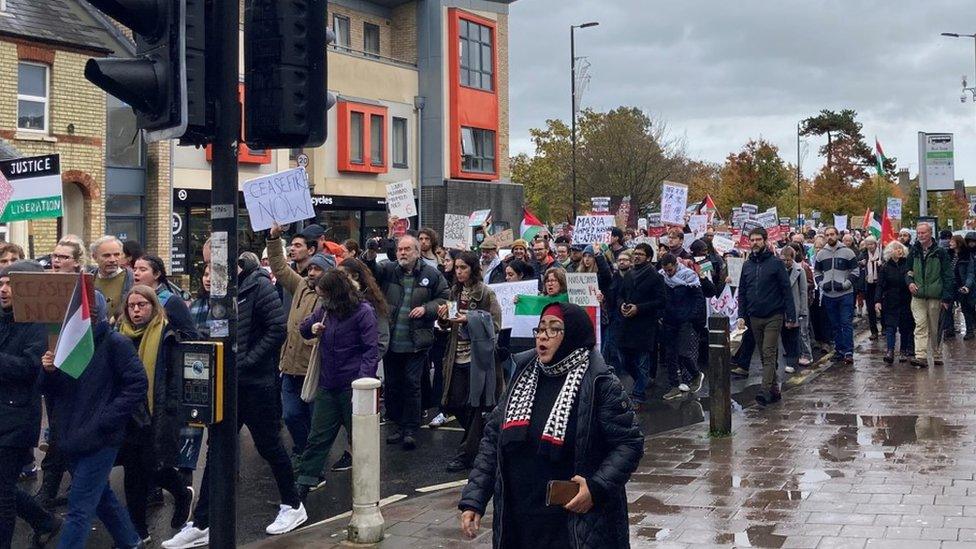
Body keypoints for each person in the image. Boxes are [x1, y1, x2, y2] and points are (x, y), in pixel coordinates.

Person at [458, 302, 644, 548]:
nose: (543, 335)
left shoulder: (600, 382)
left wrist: (597, 487)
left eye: (554, 329)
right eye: (541, 328)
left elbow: (629, 444)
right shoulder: (523, 375)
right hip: (521, 518)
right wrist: (475, 499)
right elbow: (493, 440)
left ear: (574, 335)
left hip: (573, 522)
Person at [165, 253, 305, 548]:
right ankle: (202, 522)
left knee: (269, 445)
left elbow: (277, 329)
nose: (208, 269)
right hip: (224, 383)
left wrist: (247, 361)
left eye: (213, 261)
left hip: (256, 384)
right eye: (204, 263)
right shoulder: (217, 291)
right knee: (218, 449)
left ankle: (293, 505)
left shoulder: (258, 286)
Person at [41, 286, 148, 549]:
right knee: (101, 497)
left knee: (79, 507)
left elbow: (137, 384)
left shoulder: (115, 343)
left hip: (100, 438)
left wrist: (106, 420)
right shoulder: (66, 346)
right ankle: (131, 542)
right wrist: (49, 371)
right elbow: (52, 390)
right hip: (72, 435)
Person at [116, 286, 194, 541]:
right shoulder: (120, 335)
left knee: (155, 468)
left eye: (142, 305)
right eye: (132, 306)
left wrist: (170, 412)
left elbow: (174, 379)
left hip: (155, 413)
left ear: (153, 306)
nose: (136, 310)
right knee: (133, 475)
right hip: (128, 416)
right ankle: (137, 532)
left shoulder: (167, 334)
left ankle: (182, 493)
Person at [294, 270, 379, 497]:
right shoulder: (325, 310)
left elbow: (371, 350)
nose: (322, 300)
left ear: (336, 293)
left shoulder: (363, 312)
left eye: (324, 295)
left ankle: (367, 486)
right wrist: (311, 328)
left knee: (359, 438)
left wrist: (361, 385)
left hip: (352, 386)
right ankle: (304, 482)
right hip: (328, 384)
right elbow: (304, 327)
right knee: (318, 436)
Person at [366, 235, 448, 450]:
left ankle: (411, 428)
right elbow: (370, 273)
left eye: (407, 249)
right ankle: (398, 425)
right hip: (393, 340)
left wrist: (427, 309)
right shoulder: (389, 269)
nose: (402, 253)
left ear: (417, 252)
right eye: (400, 249)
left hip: (416, 340)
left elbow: (444, 297)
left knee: (412, 385)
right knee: (393, 385)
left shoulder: (431, 274)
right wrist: (371, 254)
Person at [0, 261, 62, 548]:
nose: (3, 290)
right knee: (3, 489)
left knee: (2, 495)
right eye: (0, 283)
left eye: (10, 285)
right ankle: (44, 521)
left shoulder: (38, 323)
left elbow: (29, 368)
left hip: (17, 416)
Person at [267, 222, 332, 461]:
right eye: (311, 269)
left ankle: (313, 463)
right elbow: (280, 268)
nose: (312, 273)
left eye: (317, 269)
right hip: (290, 365)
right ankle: (305, 453)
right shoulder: (301, 285)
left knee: (315, 420)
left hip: (313, 367)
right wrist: (274, 239)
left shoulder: (332, 297)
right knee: (291, 415)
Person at [437, 252, 502, 473]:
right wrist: (443, 317)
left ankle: (467, 453)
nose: (459, 272)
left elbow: (494, 325)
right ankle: (481, 440)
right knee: (454, 402)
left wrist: (470, 318)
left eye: (463, 267)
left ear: (473, 268)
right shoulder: (454, 291)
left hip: (478, 359)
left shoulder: (486, 293)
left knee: (475, 406)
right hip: (457, 354)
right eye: (456, 268)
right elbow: (448, 325)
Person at [738, 227, 796, 405]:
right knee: (764, 355)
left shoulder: (775, 263)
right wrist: (741, 315)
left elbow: (786, 289)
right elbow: (742, 291)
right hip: (754, 315)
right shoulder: (747, 265)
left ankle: (764, 391)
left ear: (764, 241)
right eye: (752, 240)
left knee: (769, 352)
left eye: (758, 240)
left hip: (773, 314)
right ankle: (774, 388)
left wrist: (790, 315)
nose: (754, 243)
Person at [617, 243, 666, 404]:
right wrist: (622, 305)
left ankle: (638, 395)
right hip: (627, 325)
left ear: (649, 258)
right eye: (635, 253)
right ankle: (640, 382)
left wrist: (639, 308)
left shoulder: (656, 277)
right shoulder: (629, 275)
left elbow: (661, 301)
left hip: (644, 326)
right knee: (625, 360)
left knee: (642, 361)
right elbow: (620, 295)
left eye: (641, 254)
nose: (636, 256)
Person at [658, 254, 705, 400]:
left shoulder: (689, 276)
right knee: (670, 354)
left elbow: (698, 298)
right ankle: (674, 386)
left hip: (685, 320)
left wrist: (692, 316)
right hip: (669, 320)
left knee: (683, 352)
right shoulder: (661, 277)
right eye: (666, 271)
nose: (668, 273)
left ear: (675, 265)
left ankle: (696, 374)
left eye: (670, 270)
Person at [906, 222, 953, 368]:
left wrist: (946, 297)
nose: (920, 235)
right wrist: (910, 282)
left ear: (930, 233)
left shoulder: (940, 252)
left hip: (935, 295)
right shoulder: (914, 251)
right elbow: (908, 271)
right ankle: (921, 356)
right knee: (920, 325)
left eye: (923, 233)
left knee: (935, 328)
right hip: (918, 295)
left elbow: (947, 275)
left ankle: (937, 354)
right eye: (919, 233)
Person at [814, 227, 859, 364]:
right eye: (827, 235)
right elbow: (817, 272)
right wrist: (822, 284)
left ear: (837, 235)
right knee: (835, 324)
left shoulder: (847, 252)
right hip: (829, 295)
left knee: (846, 322)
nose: (830, 237)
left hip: (845, 294)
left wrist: (846, 284)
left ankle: (848, 351)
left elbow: (855, 270)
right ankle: (839, 350)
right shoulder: (821, 254)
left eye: (832, 234)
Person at [132, 255, 198, 340]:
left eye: (142, 270)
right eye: (134, 269)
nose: (136, 273)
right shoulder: (131, 299)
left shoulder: (172, 301)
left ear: (156, 274)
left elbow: (191, 334)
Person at [875, 241, 914, 364]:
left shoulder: (907, 265)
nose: (899, 250)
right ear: (891, 251)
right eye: (896, 248)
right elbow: (880, 285)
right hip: (890, 300)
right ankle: (890, 351)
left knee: (904, 327)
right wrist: (877, 300)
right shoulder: (885, 267)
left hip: (905, 299)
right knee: (890, 327)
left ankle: (903, 350)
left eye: (901, 248)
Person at [91, 235, 134, 322]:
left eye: (117, 255)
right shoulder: (88, 280)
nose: (112, 259)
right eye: (106, 256)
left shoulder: (132, 280)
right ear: (95, 257)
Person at [780, 246, 809, 375]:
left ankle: (792, 361)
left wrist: (803, 310)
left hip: (795, 307)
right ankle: (790, 358)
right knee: (784, 336)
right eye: (783, 260)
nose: (786, 263)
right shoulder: (778, 270)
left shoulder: (799, 271)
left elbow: (803, 292)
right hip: (781, 307)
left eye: (788, 260)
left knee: (793, 336)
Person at [944, 235, 974, 339]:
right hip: (950, 285)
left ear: (958, 243)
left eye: (952, 241)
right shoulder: (948, 254)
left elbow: (970, 272)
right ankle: (949, 329)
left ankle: (970, 330)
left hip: (961, 285)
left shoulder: (966, 255)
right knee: (948, 307)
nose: (950, 243)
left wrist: (967, 286)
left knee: (966, 308)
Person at [859, 236, 882, 339]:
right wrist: (861, 264)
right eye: (868, 244)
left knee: (882, 306)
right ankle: (874, 331)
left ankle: (884, 327)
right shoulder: (864, 255)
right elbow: (858, 265)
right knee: (870, 308)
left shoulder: (881, 254)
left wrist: (881, 264)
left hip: (880, 284)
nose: (870, 246)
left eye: (872, 244)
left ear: (875, 244)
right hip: (868, 284)